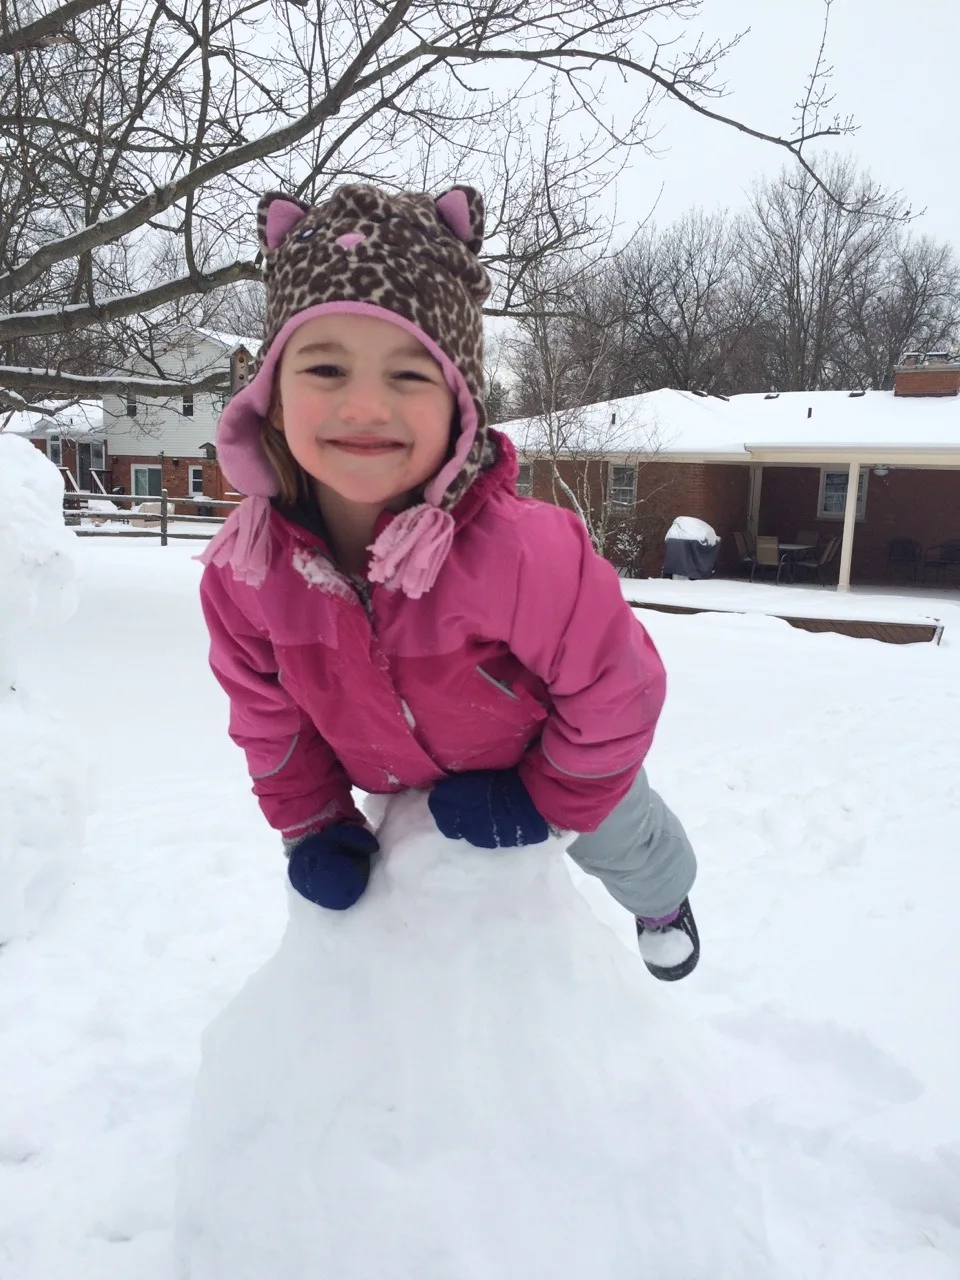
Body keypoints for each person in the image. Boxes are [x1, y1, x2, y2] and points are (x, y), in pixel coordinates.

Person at [198, 182, 699, 981]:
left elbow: (617, 691)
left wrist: (549, 796)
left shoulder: (526, 552)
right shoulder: (250, 574)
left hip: (546, 759)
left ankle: (664, 905)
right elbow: (270, 720)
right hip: (397, 782)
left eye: (409, 374)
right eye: (325, 367)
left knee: (624, 837)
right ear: (273, 396)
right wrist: (313, 822)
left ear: (460, 402)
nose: (366, 405)